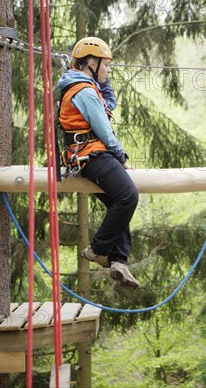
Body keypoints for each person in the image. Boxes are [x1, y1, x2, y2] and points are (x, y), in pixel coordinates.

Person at [57, 36, 140, 289]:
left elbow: (109, 104)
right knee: (128, 196)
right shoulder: (83, 91)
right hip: (91, 155)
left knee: (119, 202)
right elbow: (104, 129)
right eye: (106, 65)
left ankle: (119, 261)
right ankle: (98, 249)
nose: (109, 69)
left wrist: (102, 78)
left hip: (89, 153)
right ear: (91, 63)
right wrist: (121, 157)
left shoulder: (87, 87)